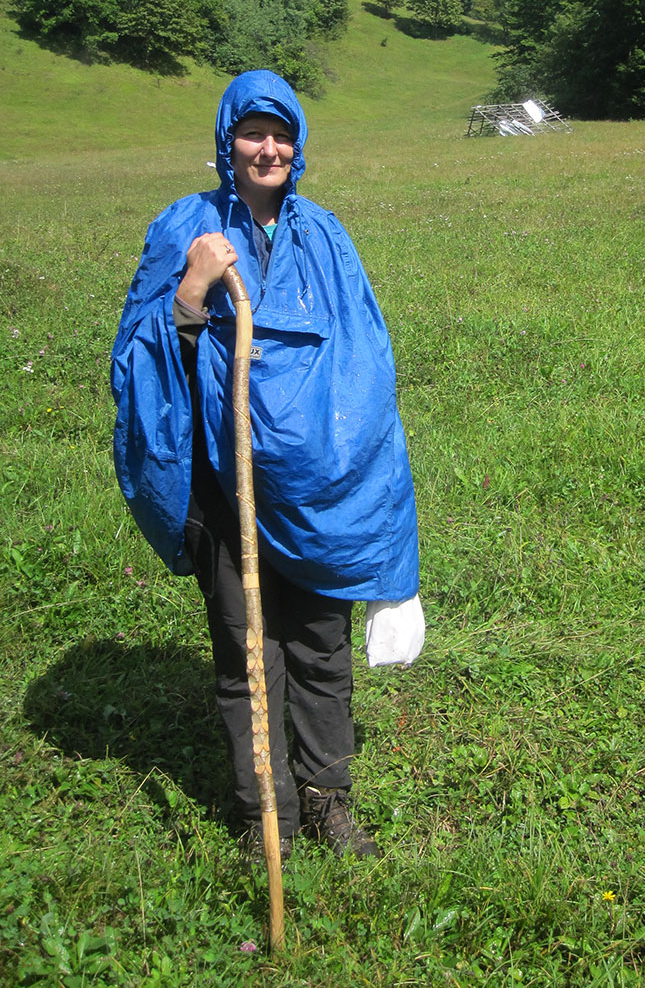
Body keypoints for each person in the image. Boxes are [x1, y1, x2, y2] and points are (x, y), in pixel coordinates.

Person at [111, 69, 419, 860]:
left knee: (320, 641)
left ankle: (326, 795)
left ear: (299, 145)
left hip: (314, 485)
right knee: (250, 648)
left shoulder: (326, 237)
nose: (268, 148)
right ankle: (264, 811)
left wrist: (348, 472)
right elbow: (141, 361)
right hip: (225, 484)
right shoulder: (187, 225)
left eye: (281, 134)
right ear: (227, 141)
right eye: (253, 132)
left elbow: (365, 365)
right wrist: (192, 288)